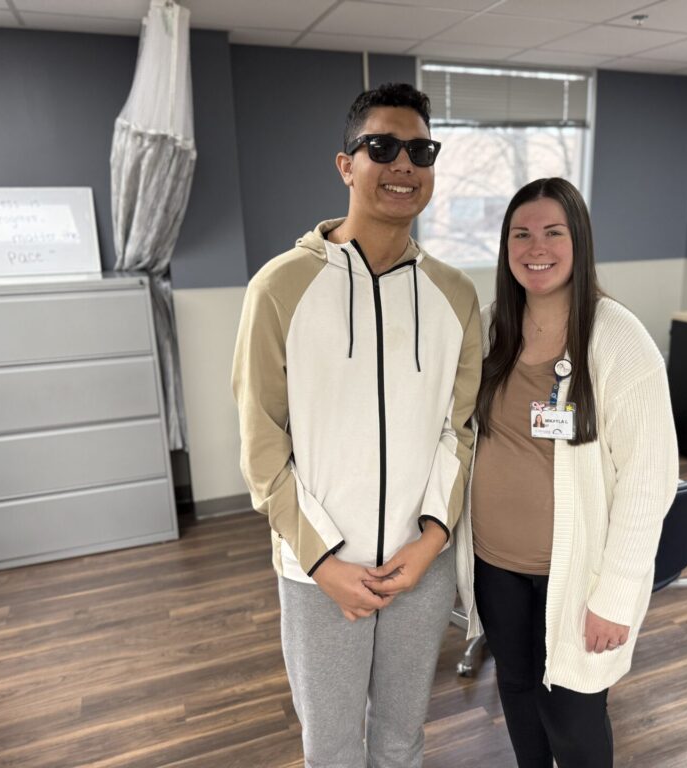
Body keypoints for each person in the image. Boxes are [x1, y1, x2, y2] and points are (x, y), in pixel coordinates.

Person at [232, 82, 482, 768]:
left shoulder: (456, 296)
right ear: (346, 165)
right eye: (382, 147)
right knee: (333, 748)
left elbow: (460, 431)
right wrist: (322, 561)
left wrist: (431, 541)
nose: (404, 164)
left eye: (421, 151)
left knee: (402, 741)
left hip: (418, 568)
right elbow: (261, 444)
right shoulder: (279, 288)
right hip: (319, 573)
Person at [454, 177, 678, 767]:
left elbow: (648, 483)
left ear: (579, 240)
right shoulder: (490, 329)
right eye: (521, 234)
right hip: (496, 566)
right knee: (518, 693)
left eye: (553, 232)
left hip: (579, 575)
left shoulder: (620, 340)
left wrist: (616, 595)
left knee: (574, 718)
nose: (536, 248)